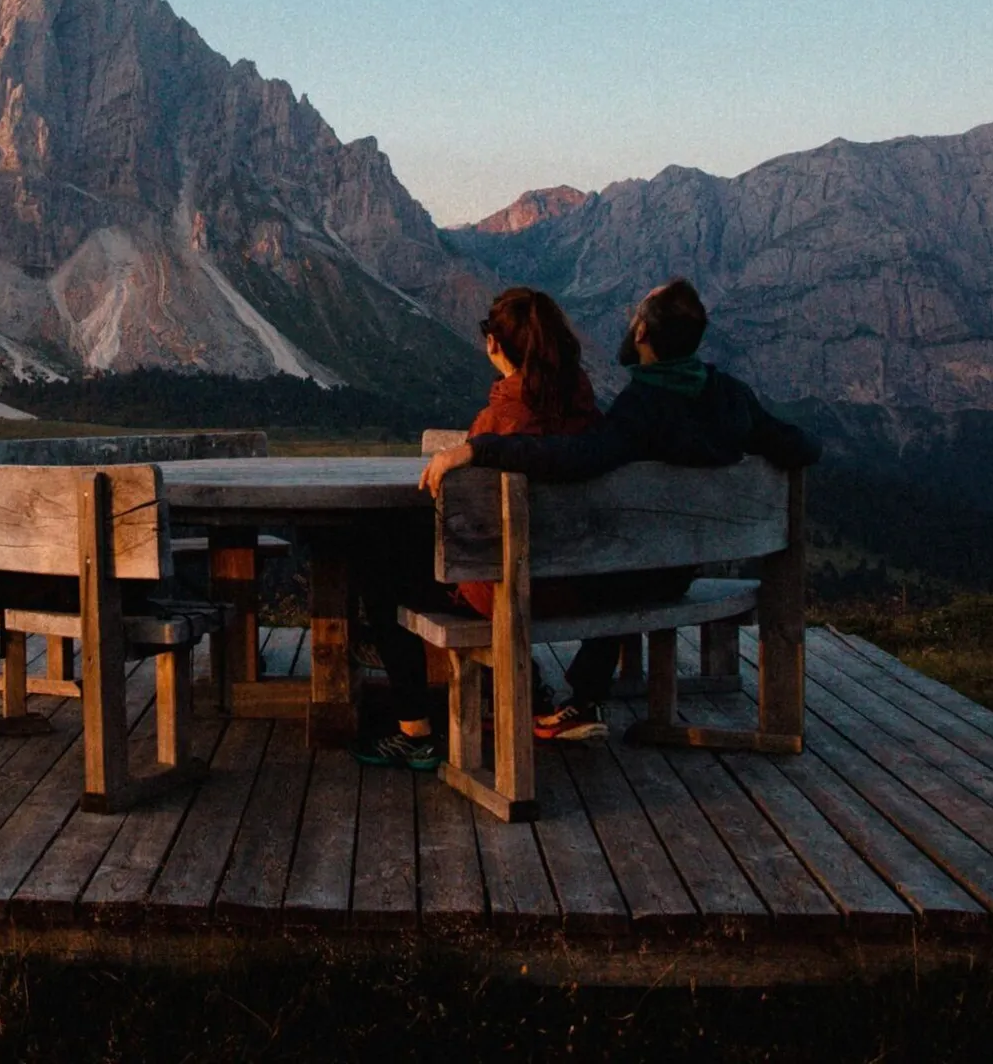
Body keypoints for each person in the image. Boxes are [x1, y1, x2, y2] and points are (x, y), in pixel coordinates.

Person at [417, 277, 822, 740]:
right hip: (674, 570)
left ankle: (489, 701)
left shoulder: (640, 408)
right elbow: (802, 445)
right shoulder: (732, 397)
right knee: (621, 557)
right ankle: (582, 695)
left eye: (634, 319)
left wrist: (480, 449)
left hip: (625, 576)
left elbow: (574, 459)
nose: (629, 326)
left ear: (643, 336)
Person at [352, 287, 602, 769]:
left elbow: (452, 520)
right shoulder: (590, 413)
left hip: (505, 593)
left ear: (494, 346)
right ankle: (520, 690)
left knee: (376, 560)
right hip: (578, 586)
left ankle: (414, 730)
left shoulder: (501, 418)